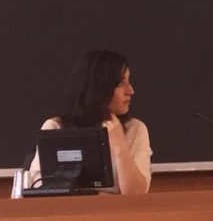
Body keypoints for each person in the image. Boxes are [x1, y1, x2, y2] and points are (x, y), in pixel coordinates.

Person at [26, 49, 151, 194]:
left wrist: (120, 147)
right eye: (121, 83)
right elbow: (39, 189)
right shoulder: (54, 128)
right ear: (99, 87)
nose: (130, 90)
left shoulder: (135, 129)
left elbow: (136, 197)